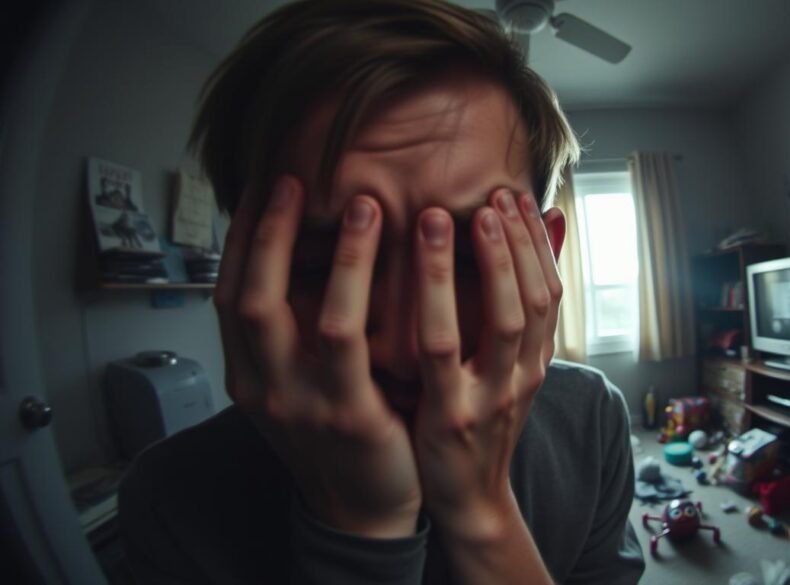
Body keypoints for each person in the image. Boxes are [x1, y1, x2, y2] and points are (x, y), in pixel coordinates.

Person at [117, 1, 645, 584]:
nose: (405, 349)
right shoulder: (169, 501)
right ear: (244, 268)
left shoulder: (592, 421)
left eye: (468, 259)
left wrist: (482, 512)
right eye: (323, 267)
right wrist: (359, 530)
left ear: (546, 256)